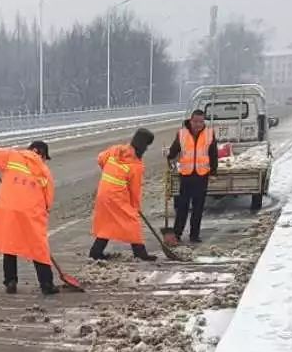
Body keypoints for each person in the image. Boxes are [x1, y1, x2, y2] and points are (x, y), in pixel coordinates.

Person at [0, 140, 58, 295]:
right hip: (30, 212)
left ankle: (10, 281)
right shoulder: (44, 170)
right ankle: (47, 285)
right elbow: (48, 200)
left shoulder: (12, 156)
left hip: (8, 208)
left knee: (10, 244)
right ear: (42, 154)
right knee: (38, 247)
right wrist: (44, 212)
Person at [89, 129, 156, 262]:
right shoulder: (136, 164)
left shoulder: (116, 150)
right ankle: (140, 253)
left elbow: (100, 158)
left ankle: (96, 252)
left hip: (103, 192)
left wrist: (109, 173)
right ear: (143, 145)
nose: (147, 149)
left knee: (107, 222)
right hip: (116, 196)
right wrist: (135, 208)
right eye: (147, 146)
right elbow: (135, 190)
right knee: (132, 222)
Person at [166, 109, 218, 244]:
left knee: (198, 208)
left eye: (201, 122)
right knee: (182, 206)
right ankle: (177, 233)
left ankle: (194, 235)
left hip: (202, 175)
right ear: (191, 120)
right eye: (196, 121)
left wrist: (213, 172)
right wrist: (169, 155)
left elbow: (213, 154)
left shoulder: (209, 134)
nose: (198, 124)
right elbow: (174, 150)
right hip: (186, 176)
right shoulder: (182, 133)